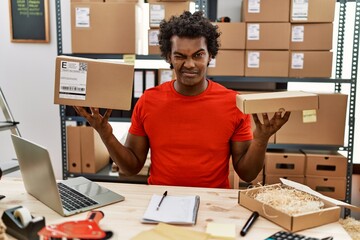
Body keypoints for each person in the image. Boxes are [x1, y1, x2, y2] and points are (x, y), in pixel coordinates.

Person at [74, 11, 290, 188]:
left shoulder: (233, 103)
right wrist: (106, 134)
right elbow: (131, 167)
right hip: (160, 201)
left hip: (213, 204)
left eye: (198, 55)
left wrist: (261, 141)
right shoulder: (148, 101)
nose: (189, 64)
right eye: (180, 56)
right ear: (169, 56)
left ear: (210, 55)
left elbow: (247, 174)